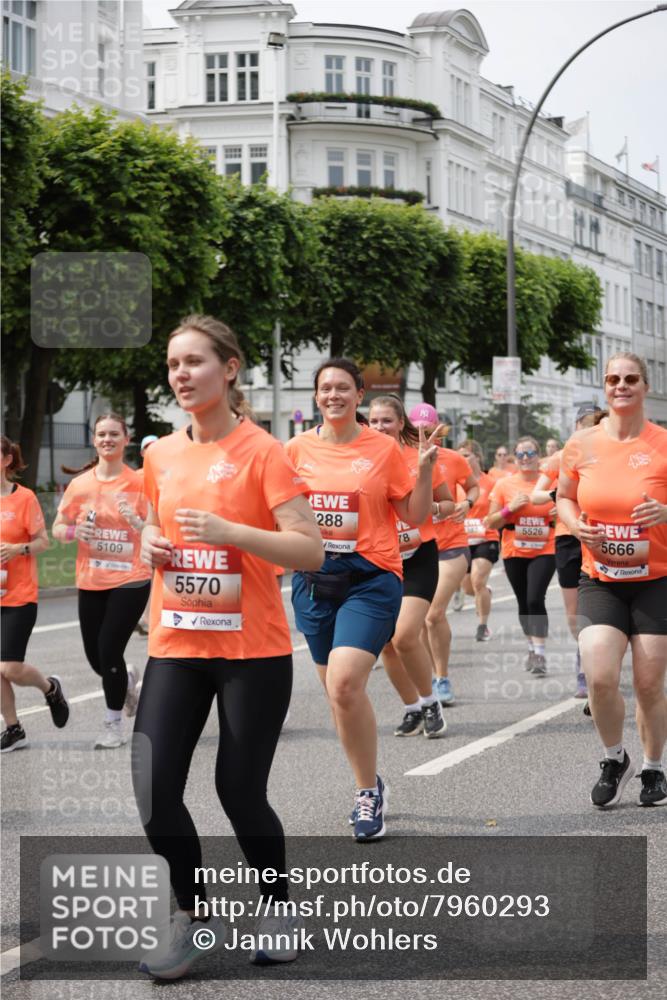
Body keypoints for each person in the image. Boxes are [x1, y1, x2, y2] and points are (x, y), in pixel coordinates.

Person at [133, 314, 323, 978]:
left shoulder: (262, 451)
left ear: (230, 368)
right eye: (173, 365)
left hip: (252, 651)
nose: (180, 375)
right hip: (177, 644)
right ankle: (191, 916)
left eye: (194, 362)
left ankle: (277, 905)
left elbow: (309, 549)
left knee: (237, 789)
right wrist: (150, 546)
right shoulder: (158, 453)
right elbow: (153, 530)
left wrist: (230, 531)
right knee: (153, 788)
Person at [286, 362, 439, 842]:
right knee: (337, 696)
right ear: (316, 396)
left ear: (359, 394)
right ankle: (371, 780)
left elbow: (413, 515)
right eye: (325, 388)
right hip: (314, 580)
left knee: (347, 683)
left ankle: (366, 794)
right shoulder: (294, 451)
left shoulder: (383, 449)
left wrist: (425, 470)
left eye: (343, 388)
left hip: (371, 578)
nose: (334, 395)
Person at [557, 352, 667, 808]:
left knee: (647, 682)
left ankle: (654, 769)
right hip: (599, 578)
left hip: (656, 579)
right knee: (600, 678)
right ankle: (613, 758)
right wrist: (576, 523)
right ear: (605, 387)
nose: (621, 385)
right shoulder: (580, 444)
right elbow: (563, 496)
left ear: (645, 385)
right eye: (613, 379)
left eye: (630, 379)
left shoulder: (663, 442)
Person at [52, 413, 151, 748]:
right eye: (101, 434)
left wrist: (137, 523)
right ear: (94, 440)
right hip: (92, 579)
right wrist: (73, 530)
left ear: (126, 439)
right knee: (97, 658)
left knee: (109, 651)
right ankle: (126, 682)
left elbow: (156, 526)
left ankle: (112, 726)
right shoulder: (81, 485)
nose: (107, 439)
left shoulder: (139, 482)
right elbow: (57, 529)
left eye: (114, 434)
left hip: (131, 579)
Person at [368, 395, 455, 739]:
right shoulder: (361, 460)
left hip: (418, 556)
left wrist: (422, 510)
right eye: (373, 422)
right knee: (387, 643)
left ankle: (430, 701)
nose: (379, 428)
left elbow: (447, 502)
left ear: (401, 423)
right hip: (380, 559)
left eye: (386, 421)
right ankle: (412, 708)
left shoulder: (416, 456)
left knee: (405, 635)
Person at [1, 437, 69, 751]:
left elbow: (43, 542)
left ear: (6, 460)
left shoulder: (23, 497)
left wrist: (18, 548)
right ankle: (13, 728)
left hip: (19, 595)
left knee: (9, 668)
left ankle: (50, 688)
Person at [409, 405, 478, 707]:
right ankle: (428, 677)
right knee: (419, 622)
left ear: (441, 430)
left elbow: (474, 485)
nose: (426, 435)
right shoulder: (400, 460)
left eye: (431, 428)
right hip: (416, 547)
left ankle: (442, 676)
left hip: (450, 545)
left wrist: (469, 503)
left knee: (433, 613)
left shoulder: (453, 459)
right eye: (419, 429)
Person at [531, 406, 602, 698]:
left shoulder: (609, 454)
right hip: (568, 536)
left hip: (600, 535)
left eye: (593, 425)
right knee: (574, 612)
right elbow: (536, 495)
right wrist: (559, 496)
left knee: (600, 604)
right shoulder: (563, 456)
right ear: (575, 427)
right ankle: (583, 651)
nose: (586, 430)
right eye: (583, 425)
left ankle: (592, 666)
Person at [487, 437, 556, 677]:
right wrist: (510, 508)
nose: (525, 459)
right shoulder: (504, 485)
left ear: (539, 456)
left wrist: (559, 511)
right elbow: (491, 521)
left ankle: (539, 652)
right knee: (524, 602)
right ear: (514, 458)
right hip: (514, 550)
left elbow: (570, 509)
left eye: (530, 454)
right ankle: (531, 647)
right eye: (520, 454)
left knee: (536, 598)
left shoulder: (549, 483)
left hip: (546, 549)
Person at [457, 439, 499, 642]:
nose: (462, 459)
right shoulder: (456, 484)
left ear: (477, 457)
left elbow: (499, 508)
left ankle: (483, 626)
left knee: (477, 581)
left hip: (486, 538)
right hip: (462, 541)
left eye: (466, 455)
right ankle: (485, 592)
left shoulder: (489, 482)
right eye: (460, 455)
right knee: (468, 587)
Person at [134, 434, 159, 637]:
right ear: (142, 452)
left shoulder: (168, 472)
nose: (151, 450)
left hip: (153, 530)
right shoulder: (136, 476)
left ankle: (147, 618)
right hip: (134, 531)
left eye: (155, 446)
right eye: (148, 447)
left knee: (151, 576)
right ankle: (141, 616)